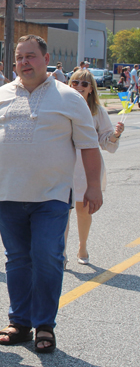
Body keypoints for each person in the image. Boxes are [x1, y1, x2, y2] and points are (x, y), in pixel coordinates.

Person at [0, 35, 102, 353]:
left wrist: (93, 186)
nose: (24, 62)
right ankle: (20, 323)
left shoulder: (69, 98)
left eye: (31, 56)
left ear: (46, 58)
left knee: (47, 257)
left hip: (52, 195)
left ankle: (44, 326)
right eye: (19, 58)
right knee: (17, 260)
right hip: (7, 194)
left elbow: (89, 145)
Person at [63, 69, 124, 267]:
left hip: (86, 166)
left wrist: (115, 134)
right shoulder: (60, 106)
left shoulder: (98, 111)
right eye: (75, 82)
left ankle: (82, 246)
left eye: (83, 83)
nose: (79, 86)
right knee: (61, 210)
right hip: (62, 164)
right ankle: (60, 251)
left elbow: (106, 142)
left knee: (83, 210)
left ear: (90, 88)